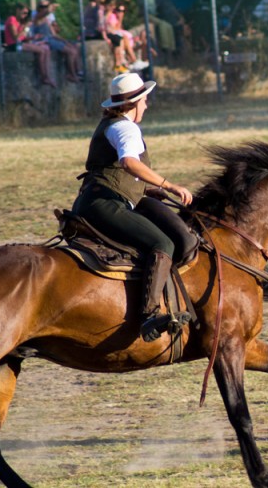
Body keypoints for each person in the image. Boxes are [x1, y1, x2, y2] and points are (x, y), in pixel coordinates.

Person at [71, 73, 196, 342]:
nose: (147, 106)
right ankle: (150, 314)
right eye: (145, 101)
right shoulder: (126, 128)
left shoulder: (111, 124)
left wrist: (146, 190)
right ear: (136, 103)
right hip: (104, 204)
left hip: (95, 199)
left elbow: (115, 172)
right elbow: (129, 162)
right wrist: (169, 185)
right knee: (162, 244)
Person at [5, 3, 56, 87]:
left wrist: (33, 38)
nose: (25, 16)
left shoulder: (20, 21)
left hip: (20, 43)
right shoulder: (12, 19)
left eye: (26, 14)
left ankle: (47, 75)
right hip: (13, 45)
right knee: (42, 51)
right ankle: (44, 77)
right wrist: (25, 27)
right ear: (18, 10)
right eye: (24, 13)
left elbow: (23, 37)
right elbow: (16, 38)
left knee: (46, 49)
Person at [32, 0, 82, 82]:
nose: (44, 9)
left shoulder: (46, 20)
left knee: (74, 46)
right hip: (45, 40)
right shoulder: (37, 18)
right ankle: (71, 74)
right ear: (39, 8)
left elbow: (54, 34)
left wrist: (65, 41)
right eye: (43, 7)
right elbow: (44, 14)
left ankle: (78, 71)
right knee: (71, 52)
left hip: (51, 39)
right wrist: (50, 8)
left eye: (46, 6)